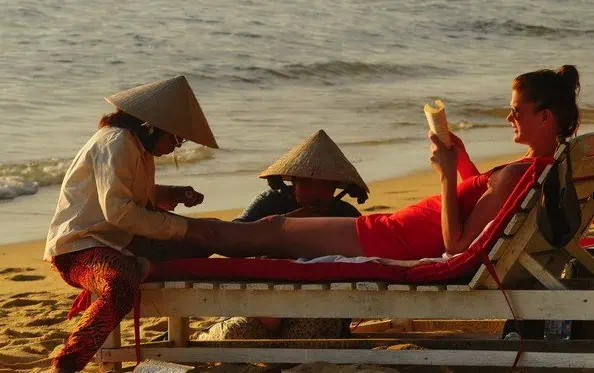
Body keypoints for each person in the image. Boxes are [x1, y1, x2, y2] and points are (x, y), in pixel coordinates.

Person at [182, 65, 581, 262]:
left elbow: (458, 247)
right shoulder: (539, 169)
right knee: (273, 231)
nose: (509, 118)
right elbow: (482, 209)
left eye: (517, 111)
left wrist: (444, 177)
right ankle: (170, 235)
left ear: (545, 117)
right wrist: (461, 163)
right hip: (392, 230)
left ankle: (167, 237)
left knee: (273, 229)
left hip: (389, 239)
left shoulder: (520, 172)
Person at [44, 76, 218, 373]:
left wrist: (170, 194)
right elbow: (120, 211)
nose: (176, 146)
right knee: (122, 285)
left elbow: (135, 193)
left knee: (197, 247)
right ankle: (66, 363)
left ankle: (138, 262)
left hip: (118, 240)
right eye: (175, 138)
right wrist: (180, 228)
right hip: (80, 248)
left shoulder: (137, 146)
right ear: (151, 126)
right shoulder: (117, 142)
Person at [200, 129, 367, 341]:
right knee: (238, 334)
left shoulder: (344, 214)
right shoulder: (270, 202)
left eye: (325, 184)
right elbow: (236, 235)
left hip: (318, 305)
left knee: (314, 336)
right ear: (294, 181)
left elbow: (367, 253)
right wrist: (285, 222)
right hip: (266, 302)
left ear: (336, 187)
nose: (316, 191)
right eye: (308, 182)